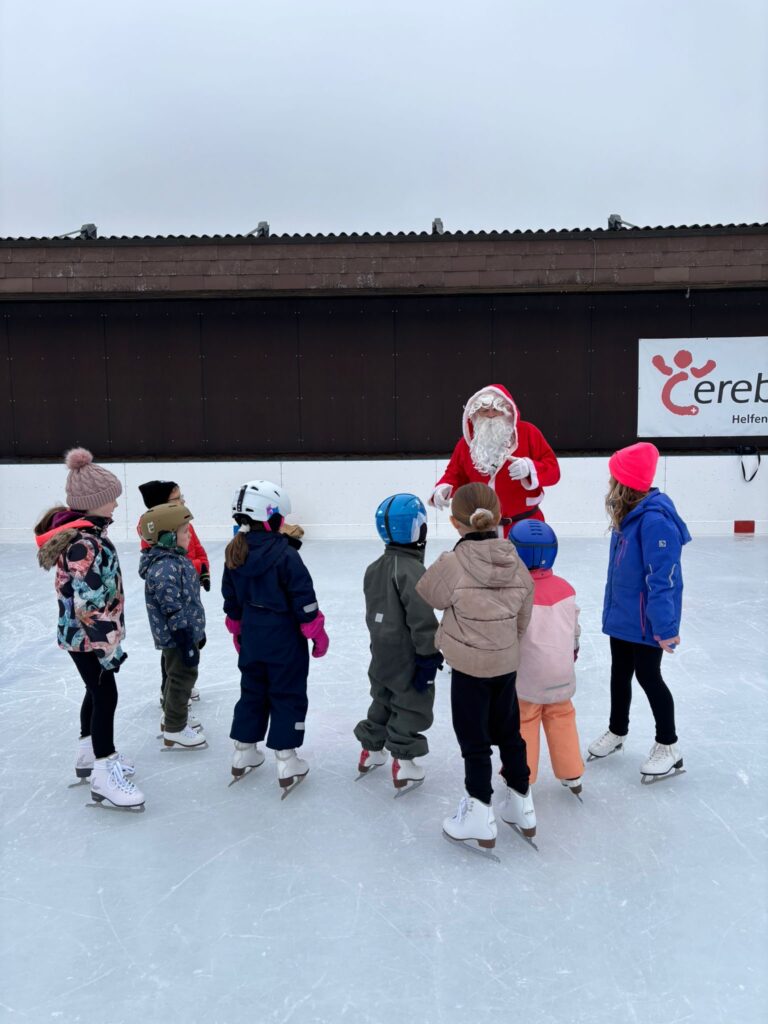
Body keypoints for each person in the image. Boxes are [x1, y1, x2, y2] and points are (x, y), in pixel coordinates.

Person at [416, 482, 535, 851]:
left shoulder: (453, 564)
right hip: (505, 665)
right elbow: (523, 618)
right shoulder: (517, 562)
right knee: (510, 733)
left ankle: (480, 812)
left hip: (469, 669)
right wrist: (505, 645)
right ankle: (522, 804)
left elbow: (428, 593)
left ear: (455, 523)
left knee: (474, 741)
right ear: (498, 517)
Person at [34, 448, 144, 810]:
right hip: (89, 638)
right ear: (93, 503)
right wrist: (107, 647)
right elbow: (90, 606)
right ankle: (103, 772)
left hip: (80, 636)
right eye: (111, 499)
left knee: (94, 692)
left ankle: (88, 753)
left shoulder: (87, 536)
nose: (116, 504)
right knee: (105, 695)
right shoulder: (85, 544)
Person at [587, 442, 691, 782]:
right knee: (620, 672)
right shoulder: (629, 516)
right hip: (624, 616)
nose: (609, 483)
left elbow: (663, 580)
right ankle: (617, 730)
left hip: (647, 621)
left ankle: (668, 745)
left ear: (625, 484)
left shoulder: (655, 522)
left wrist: (665, 626)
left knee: (648, 676)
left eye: (614, 478)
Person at [222, 480, 329, 794]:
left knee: (252, 691)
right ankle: (286, 759)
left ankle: (244, 750)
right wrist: (317, 633)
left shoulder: (234, 552)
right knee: (287, 692)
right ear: (272, 517)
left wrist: (237, 630)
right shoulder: (286, 555)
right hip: (284, 640)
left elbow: (231, 600)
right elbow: (304, 599)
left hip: (253, 638)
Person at [354, 494, 443, 792]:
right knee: (411, 702)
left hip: (380, 650)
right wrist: (428, 656)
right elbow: (421, 619)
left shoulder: (373, 568)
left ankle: (371, 750)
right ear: (418, 529)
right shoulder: (413, 571)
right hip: (407, 653)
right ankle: (404, 763)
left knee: (382, 697)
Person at [509, 520, 584, 797]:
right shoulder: (566, 589)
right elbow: (574, 631)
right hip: (561, 674)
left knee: (525, 721)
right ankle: (572, 772)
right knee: (562, 716)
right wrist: (571, 652)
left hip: (528, 679)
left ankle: (522, 777)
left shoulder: (515, 594)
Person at [430, 384, 560, 535]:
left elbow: (554, 471)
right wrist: (444, 488)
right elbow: (454, 474)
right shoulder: (467, 443)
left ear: (508, 411)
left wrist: (530, 468)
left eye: (496, 409)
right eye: (484, 410)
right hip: (482, 531)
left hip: (526, 528)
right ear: (475, 414)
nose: (491, 415)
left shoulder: (529, 433)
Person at [139, 502, 207, 750]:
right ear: (168, 537)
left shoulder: (176, 560)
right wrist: (184, 636)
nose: (189, 537)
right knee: (182, 677)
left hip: (184, 631)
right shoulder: (165, 566)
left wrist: (197, 630)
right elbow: (172, 607)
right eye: (185, 532)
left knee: (174, 676)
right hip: (177, 635)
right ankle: (175, 728)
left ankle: (170, 718)